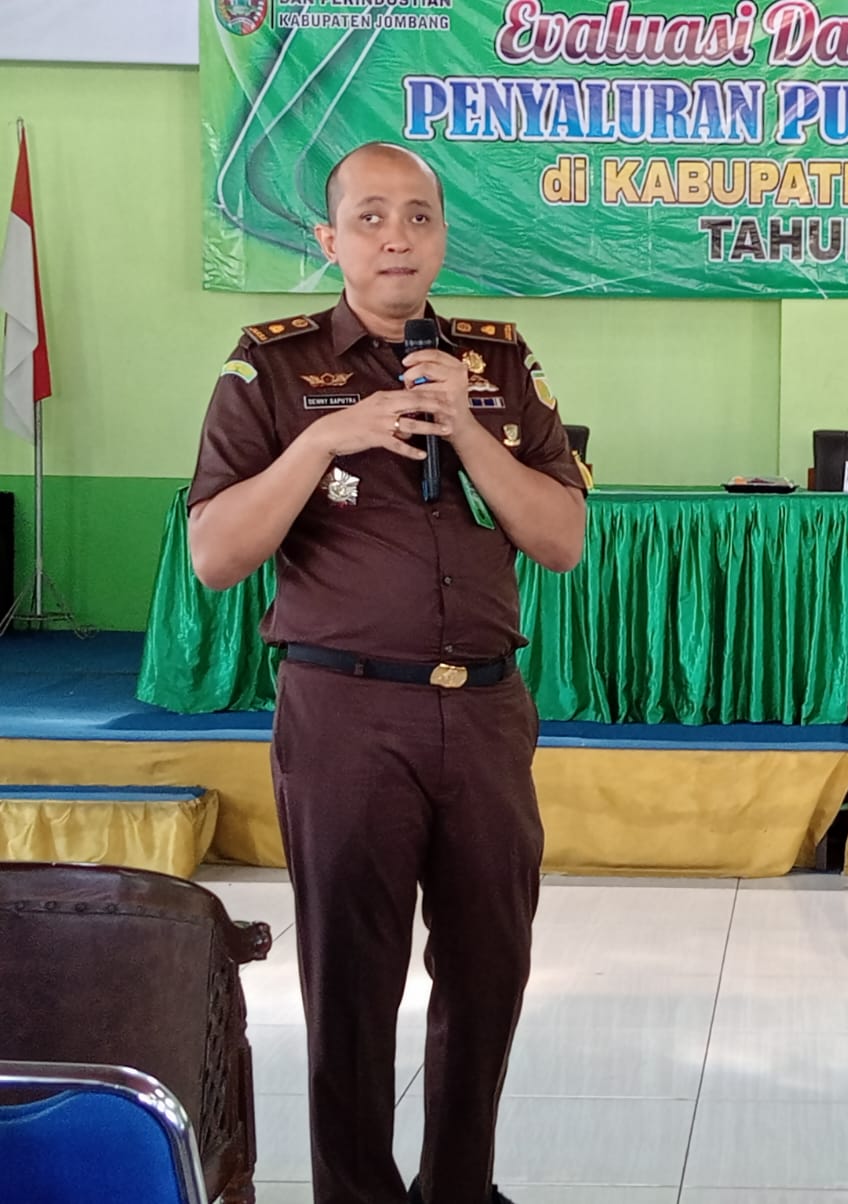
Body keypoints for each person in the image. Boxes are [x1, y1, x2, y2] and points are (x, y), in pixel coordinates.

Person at [186, 142, 588, 1204]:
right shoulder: (270, 367)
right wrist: (326, 442)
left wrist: (469, 427)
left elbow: (560, 540)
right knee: (352, 983)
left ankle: (459, 1187)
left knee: (490, 969)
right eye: (369, 217)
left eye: (418, 217)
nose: (395, 237)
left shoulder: (498, 364)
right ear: (330, 239)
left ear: (443, 236)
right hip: (346, 713)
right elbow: (216, 556)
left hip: (486, 712)